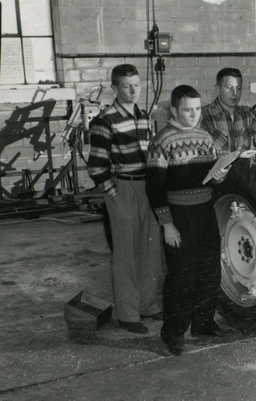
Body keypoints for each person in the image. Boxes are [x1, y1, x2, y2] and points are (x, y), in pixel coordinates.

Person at [146, 85, 229, 356]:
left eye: (197, 109)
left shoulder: (205, 137)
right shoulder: (162, 140)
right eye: (187, 110)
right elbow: (154, 187)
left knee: (208, 270)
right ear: (174, 111)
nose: (193, 115)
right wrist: (167, 223)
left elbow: (211, 178)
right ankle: (173, 333)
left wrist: (219, 176)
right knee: (181, 276)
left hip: (204, 212)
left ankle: (203, 323)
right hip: (178, 217)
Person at [87, 64, 164, 334]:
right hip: (123, 189)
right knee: (126, 255)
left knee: (150, 250)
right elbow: (96, 165)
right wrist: (114, 195)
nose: (133, 91)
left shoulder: (144, 117)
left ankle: (149, 305)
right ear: (114, 88)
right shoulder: (104, 120)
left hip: (147, 188)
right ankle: (129, 314)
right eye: (126, 86)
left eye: (137, 85)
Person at [200, 67, 256, 154]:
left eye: (238, 88)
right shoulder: (204, 115)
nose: (235, 93)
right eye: (229, 88)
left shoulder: (247, 113)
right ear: (218, 89)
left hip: (244, 167)